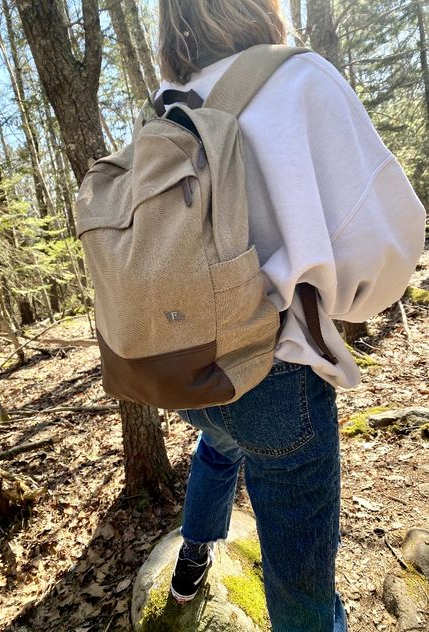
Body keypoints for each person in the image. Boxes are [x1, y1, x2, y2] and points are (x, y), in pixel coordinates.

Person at [154, 1, 426, 630]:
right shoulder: (297, 79)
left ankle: (193, 557)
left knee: (220, 443)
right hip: (277, 368)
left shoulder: (167, 107)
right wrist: (345, 306)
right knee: (300, 586)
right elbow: (387, 235)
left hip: (186, 365)